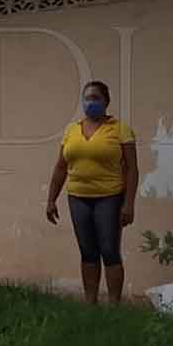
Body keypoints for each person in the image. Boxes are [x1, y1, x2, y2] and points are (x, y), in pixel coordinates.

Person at [45, 81, 138, 305]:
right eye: (87, 98)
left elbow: (132, 169)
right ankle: (90, 302)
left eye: (96, 98)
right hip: (78, 197)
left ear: (106, 101)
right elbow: (60, 167)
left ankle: (114, 304)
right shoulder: (71, 130)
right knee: (87, 250)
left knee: (109, 249)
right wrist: (51, 199)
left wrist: (128, 204)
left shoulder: (120, 129)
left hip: (109, 197)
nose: (90, 102)